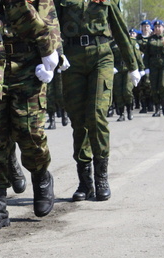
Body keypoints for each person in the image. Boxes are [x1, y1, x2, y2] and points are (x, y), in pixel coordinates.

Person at [0, 0, 60, 232]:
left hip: (28, 65)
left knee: (29, 131)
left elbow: (50, 25)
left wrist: (51, 54)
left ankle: (40, 175)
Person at [54, 0, 140, 202]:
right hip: (72, 59)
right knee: (78, 119)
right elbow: (53, 25)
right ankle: (85, 182)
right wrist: (57, 52)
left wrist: (133, 65)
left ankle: (101, 178)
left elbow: (120, 29)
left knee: (96, 114)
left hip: (101, 56)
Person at [143, 20, 164, 117]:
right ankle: (157, 108)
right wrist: (146, 67)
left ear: (162, 28)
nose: (157, 28)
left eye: (159, 26)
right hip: (153, 66)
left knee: (163, 85)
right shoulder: (151, 39)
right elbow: (147, 55)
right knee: (154, 87)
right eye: (156, 27)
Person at [137, 20, 154, 113]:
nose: (145, 28)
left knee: (149, 84)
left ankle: (150, 103)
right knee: (141, 86)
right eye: (144, 26)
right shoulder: (138, 38)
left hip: (150, 64)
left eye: (147, 26)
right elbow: (135, 49)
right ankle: (143, 105)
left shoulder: (152, 38)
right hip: (140, 64)